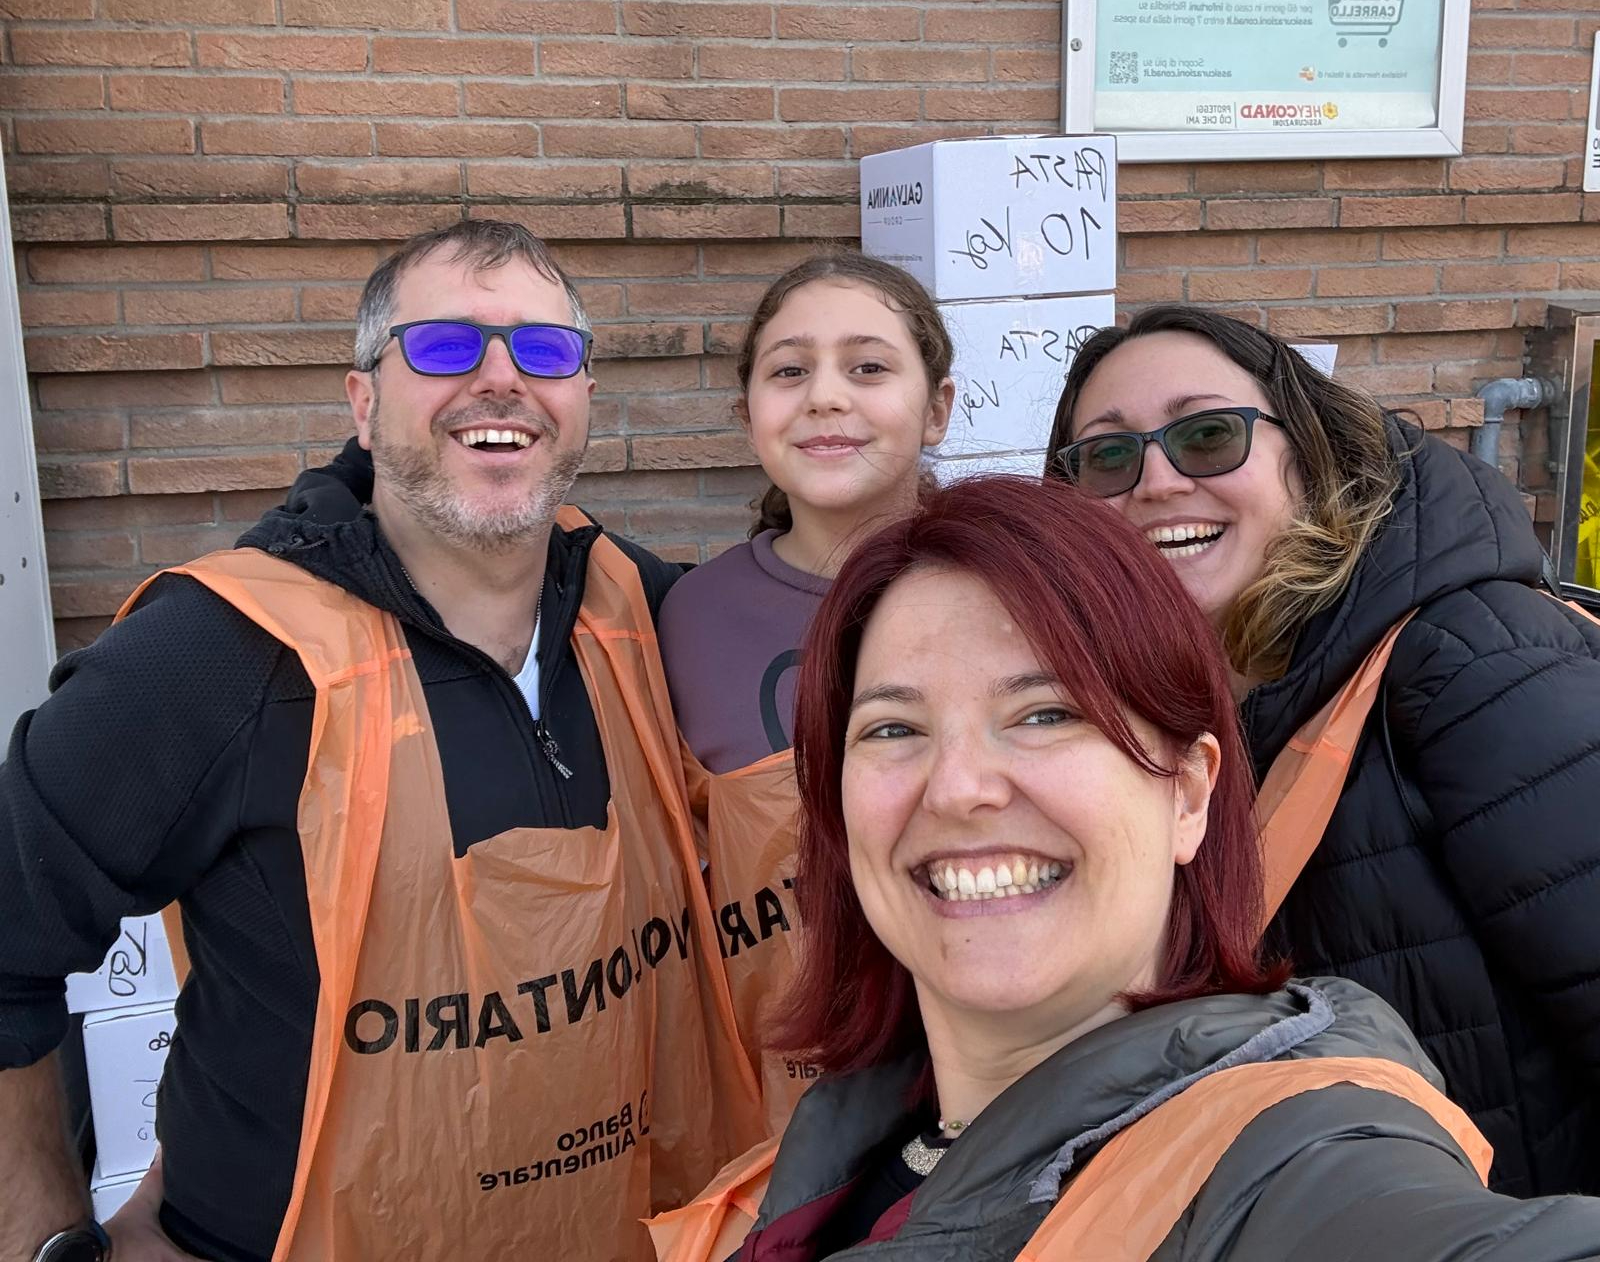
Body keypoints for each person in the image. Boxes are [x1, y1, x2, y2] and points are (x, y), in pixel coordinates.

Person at [0, 220, 761, 1262]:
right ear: (362, 402)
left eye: (544, 350)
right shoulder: (220, 655)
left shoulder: (640, 607)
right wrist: (48, 1239)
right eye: (445, 346)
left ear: (585, 393)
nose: (502, 379)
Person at [647, 477, 1600, 1262]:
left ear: (1188, 793)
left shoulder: (1282, 1160)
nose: (959, 788)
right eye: (894, 729)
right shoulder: (824, 1155)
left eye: (1045, 714)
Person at [1044, 304, 1600, 1198]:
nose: (1155, 483)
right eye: (1109, 456)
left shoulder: (1469, 660)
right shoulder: (1138, 712)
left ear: (1306, 452)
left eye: (1208, 435)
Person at [657, 254, 954, 1128]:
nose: (825, 397)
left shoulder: (1008, 589)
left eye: (868, 367)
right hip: (785, 1089)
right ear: (748, 413)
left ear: (937, 408)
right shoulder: (689, 617)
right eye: (789, 372)